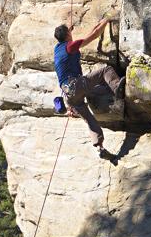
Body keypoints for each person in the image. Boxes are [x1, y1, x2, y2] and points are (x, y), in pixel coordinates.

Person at [53, 18, 125, 154]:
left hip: (69, 95)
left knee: (89, 120)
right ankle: (117, 88)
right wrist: (106, 20)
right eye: (69, 32)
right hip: (77, 85)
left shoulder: (57, 49)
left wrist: (68, 29)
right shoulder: (70, 46)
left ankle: (99, 146)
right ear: (68, 35)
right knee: (105, 70)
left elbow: (65, 35)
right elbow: (94, 34)